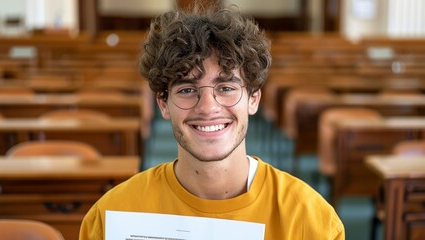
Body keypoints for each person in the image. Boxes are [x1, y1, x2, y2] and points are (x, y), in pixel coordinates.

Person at [79, 4, 344, 239]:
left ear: (254, 99)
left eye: (226, 87)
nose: (208, 107)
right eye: (186, 90)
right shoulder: (110, 216)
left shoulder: (313, 221)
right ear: (163, 104)